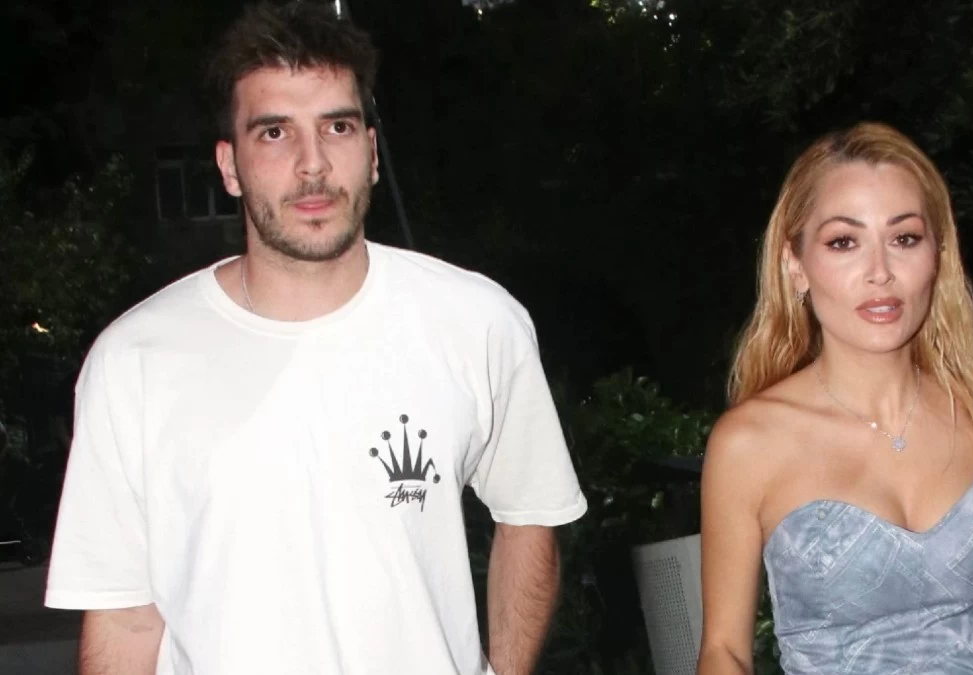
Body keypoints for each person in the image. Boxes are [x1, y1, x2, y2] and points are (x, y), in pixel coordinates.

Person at [44, 3, 586, 674]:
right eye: (274, 132)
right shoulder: (133, 361)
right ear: (229, 166)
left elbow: (531, 513)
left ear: (372, 153)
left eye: (337, 126)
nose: (312, 164)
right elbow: (125, 617)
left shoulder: (477, 322)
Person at [696, 122, 973, 673]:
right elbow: (724, 650)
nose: (880, 273)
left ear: (938, 254)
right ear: (795, 265)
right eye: (844, 242)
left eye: (904, 238)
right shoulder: (750, 442)